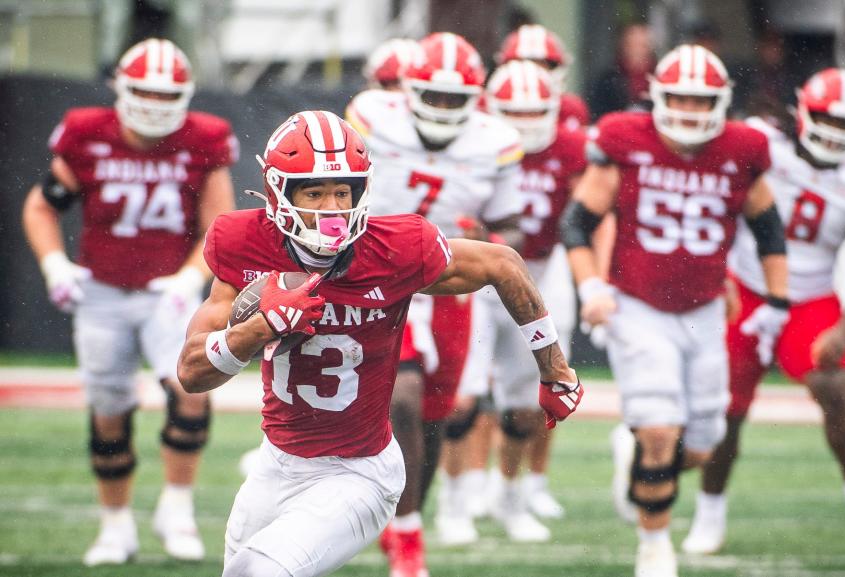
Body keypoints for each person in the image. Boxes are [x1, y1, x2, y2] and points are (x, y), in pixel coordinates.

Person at [175, 110, 584, 577]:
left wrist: (554, 370)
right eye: (314, 191)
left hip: (360, 471)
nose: (332, 207)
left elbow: (504, 264)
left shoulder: (396, 248)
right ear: (278, 193)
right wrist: (260, 327)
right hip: (277, 463)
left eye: (342, 191)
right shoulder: (241, 241)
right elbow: (192, 373)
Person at [562, 44, 789, 577]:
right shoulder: (625, 138)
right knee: (662, 431)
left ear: (721, 102)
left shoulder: (743, 147)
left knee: (702, 447)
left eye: (700, 101)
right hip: (637, 304)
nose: (689, 111)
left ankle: (635, 453)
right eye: (679, 99)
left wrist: (778, 302)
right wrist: (591, 286)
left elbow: (769, 228)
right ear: (658, 98)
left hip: (705, 309)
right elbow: (577, 223)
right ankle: (654, 549)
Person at [21, 38, 237, 566]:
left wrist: (190, 278)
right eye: (144, 91)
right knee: (110, 410)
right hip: (104, 292)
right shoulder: (86, 132)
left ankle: (177, 507)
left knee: (191, 390)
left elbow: (220, 225)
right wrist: (54, 264)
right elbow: (41, 207)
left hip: (169, 293)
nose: (155, 104)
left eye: (167, 95)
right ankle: (115, 526)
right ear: (120, 86)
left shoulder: (203, 138)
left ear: (186, 95)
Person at [682, 68, 845, 555]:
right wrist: (716, 271)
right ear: (803, 112)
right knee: (728, 411)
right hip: (748, 285)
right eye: (827, 119)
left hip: (811, 297)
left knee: (834, 387)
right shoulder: (763, 144)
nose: (836, 133)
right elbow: (717, 199)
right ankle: (709, 515)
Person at [345, 32, 526, 577]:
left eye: (455, 99)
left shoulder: (496, 140)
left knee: (433, 419)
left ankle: (405, 519)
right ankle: (408, 541)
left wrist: (480, 236)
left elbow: (508, 224)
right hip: (378, 278)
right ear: (407, 90)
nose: (443, 109)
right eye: (435, 96)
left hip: (448, 287)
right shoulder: (373, 117)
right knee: (401, 396)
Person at [435, 59, 587, 544]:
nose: (523, 123)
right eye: (512, 112)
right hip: (476, 275)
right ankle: (453, 501)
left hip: (540, 270)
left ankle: (510, 495)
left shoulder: (573, 147)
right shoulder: (474, 141)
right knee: (464, 396)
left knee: (525, 403)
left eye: (533, 112)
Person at [496, 23, 590, 130]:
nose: (531, 73)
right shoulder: (483, 104)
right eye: (523, 63)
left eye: (541, 65)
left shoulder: (572, 108)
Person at [587, 23, 657, 119]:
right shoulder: (608, 79)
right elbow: (598, 112)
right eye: (632, 45)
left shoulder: (658, 78)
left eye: (642, 46)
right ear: (624, 46)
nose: (637, 50)